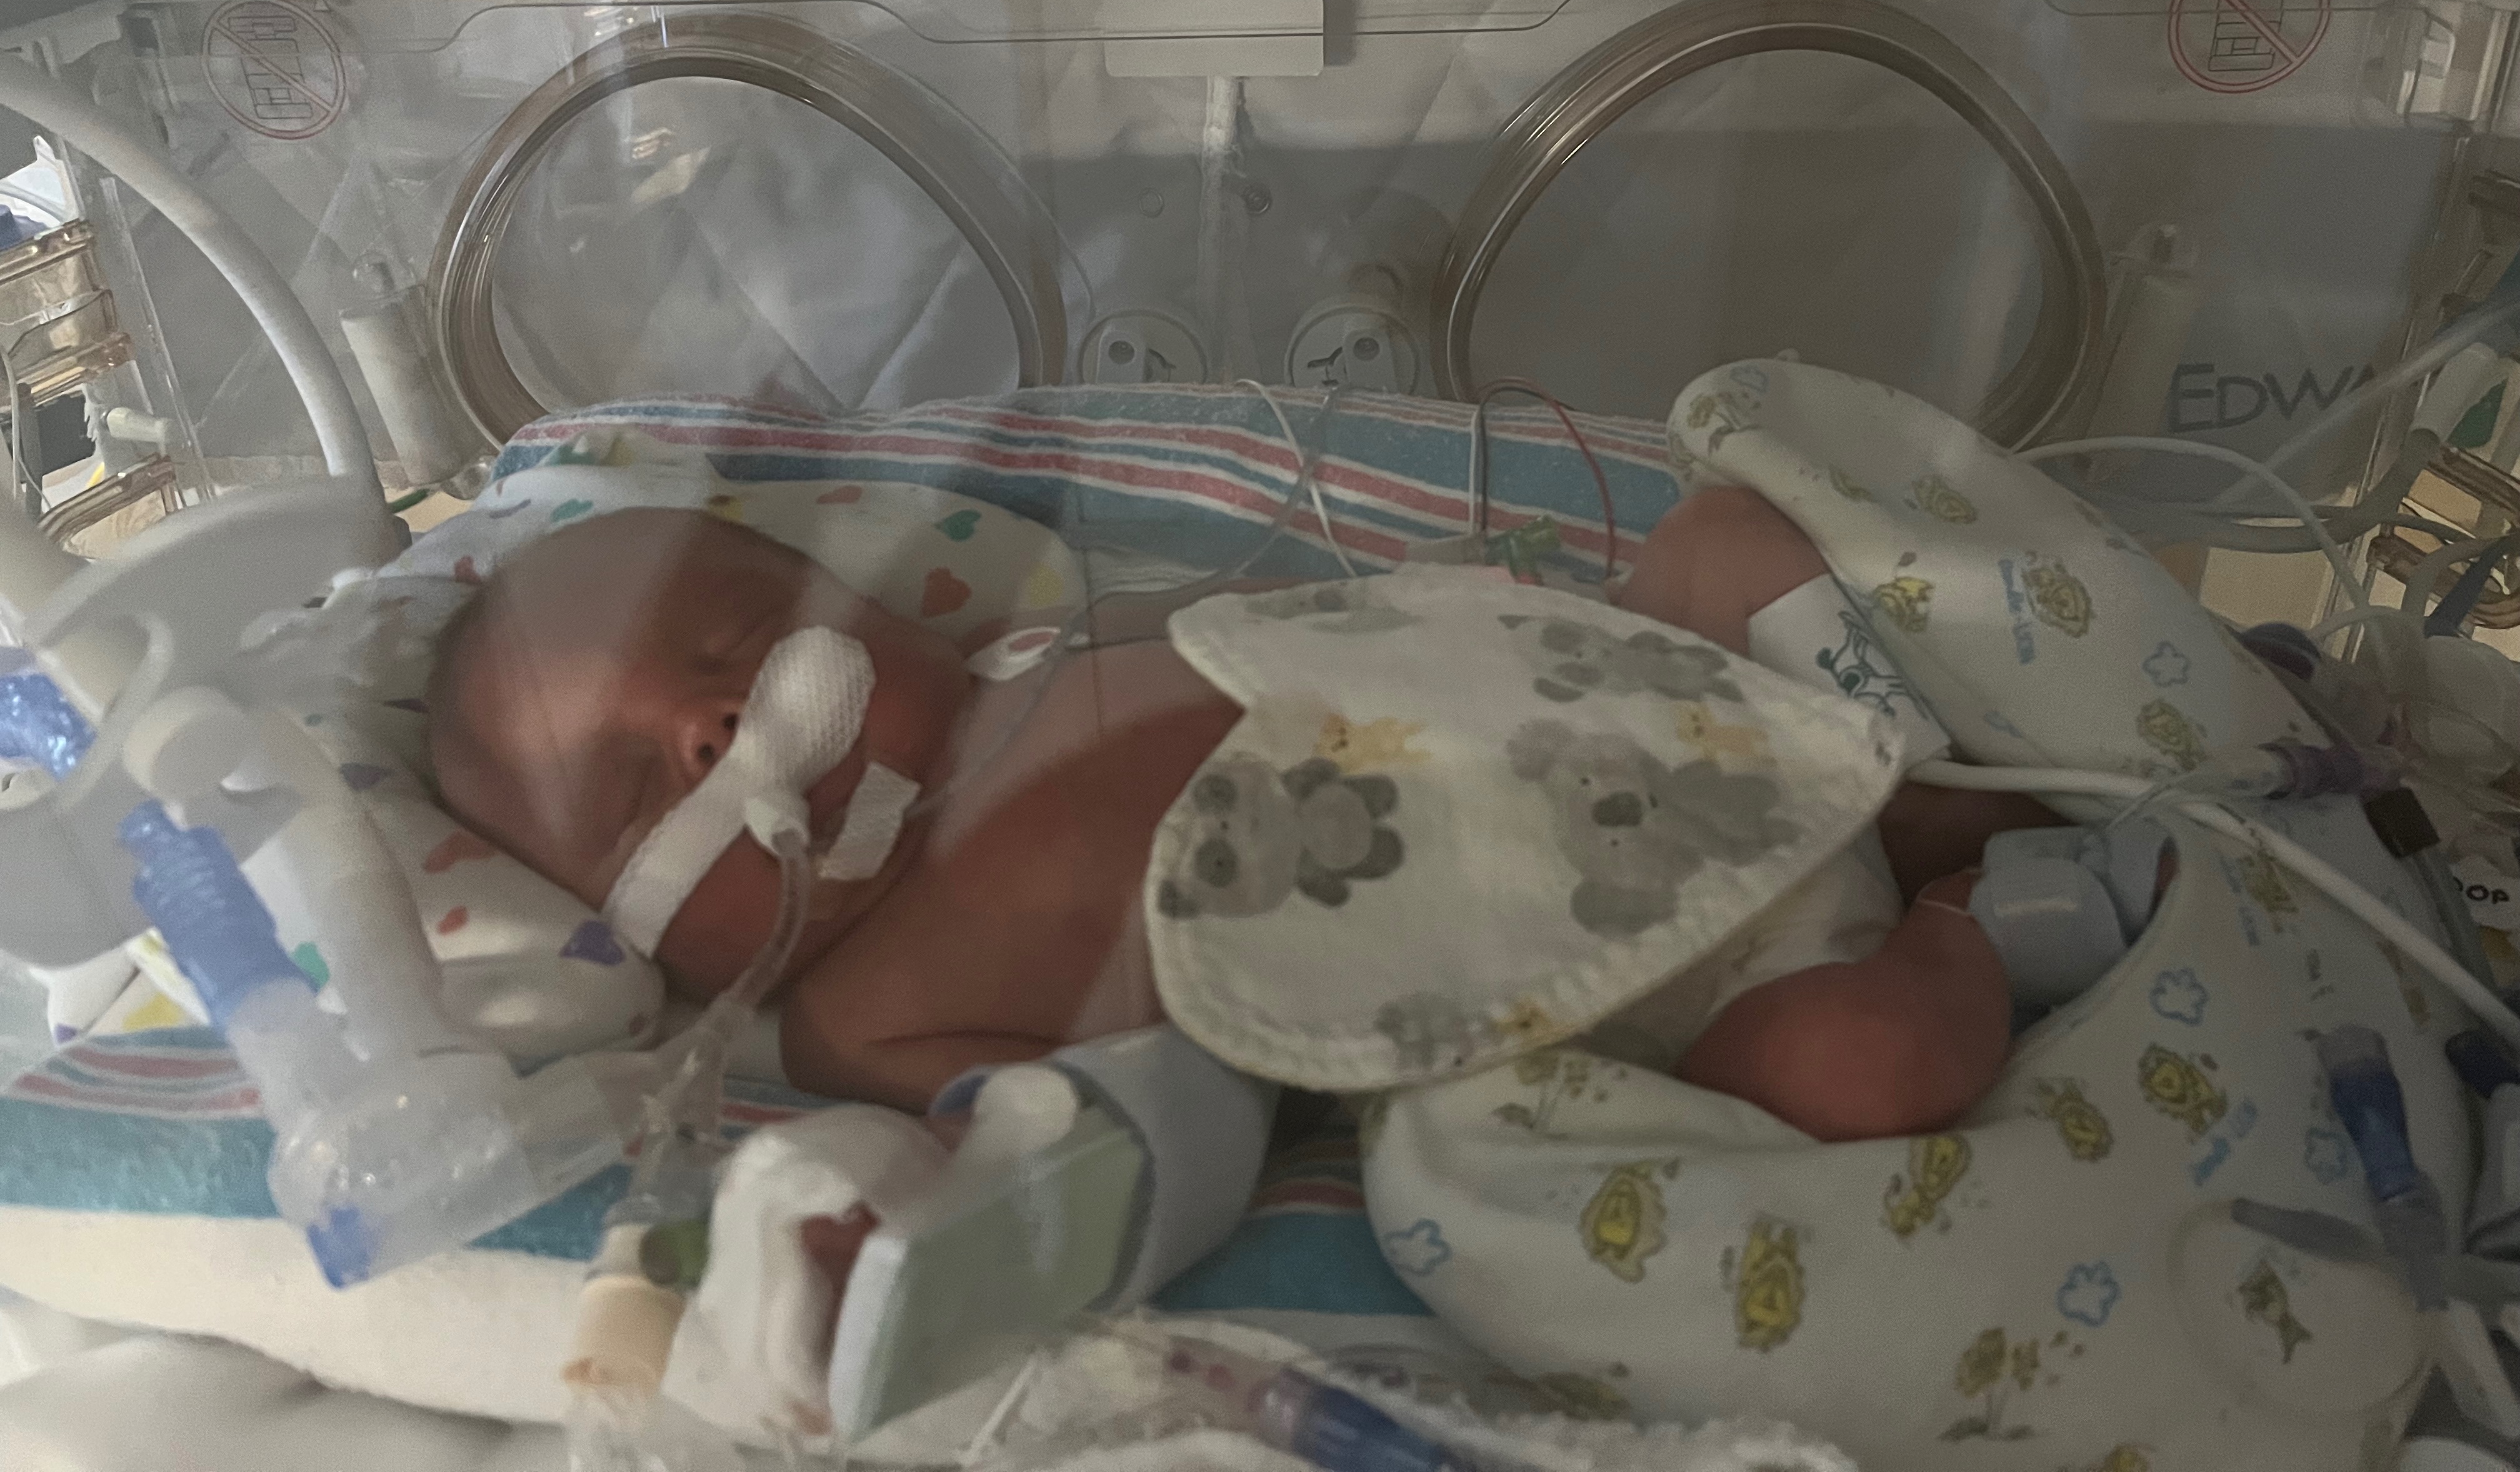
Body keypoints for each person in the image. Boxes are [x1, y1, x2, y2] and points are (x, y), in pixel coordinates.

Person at [429, 490, 2051, 1136]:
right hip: (1639, 970)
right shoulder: (863, 1018)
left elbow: (1344, 620)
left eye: (739, 632)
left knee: (1725, 535)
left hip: (1642, 703)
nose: (716, 722)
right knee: (1862, 1066)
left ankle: (1931, 785)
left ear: (886, 611)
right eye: (634, 787)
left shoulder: (1031, 661)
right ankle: (1972, 916)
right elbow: (1101, 1145)